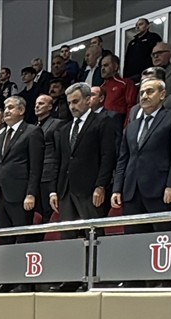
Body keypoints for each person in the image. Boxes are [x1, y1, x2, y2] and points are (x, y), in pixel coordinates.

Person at [113, 79, 171, 234]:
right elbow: (123, 160)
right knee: (133, 239)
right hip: (131, 190)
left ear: (162, 95)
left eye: (149, 91)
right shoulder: (132, 126)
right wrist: (117, 189)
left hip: (159, 188)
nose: (144, 96)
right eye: (141, 93)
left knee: (162, 235)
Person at [48, 84, 117, 235]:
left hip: (90, 189)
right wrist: (53, 191)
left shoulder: (102, 122)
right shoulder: (64, 129)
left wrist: (101, 186)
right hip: (66, 190)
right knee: (68, 238)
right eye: (70, 103)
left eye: (76, 101)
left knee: (93, 235)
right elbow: (58, 162)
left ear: (88, 100)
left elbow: (107, 157)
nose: (72, 106)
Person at [0, 96, 43, 237]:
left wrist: (30, 194)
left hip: (20, 195)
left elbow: (35, 166)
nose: (6, 111)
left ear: (21, 110)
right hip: (0, 196)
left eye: (11, 107)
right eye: (5, 108)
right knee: (4, 240)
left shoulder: (32, 131)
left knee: (23, 238)